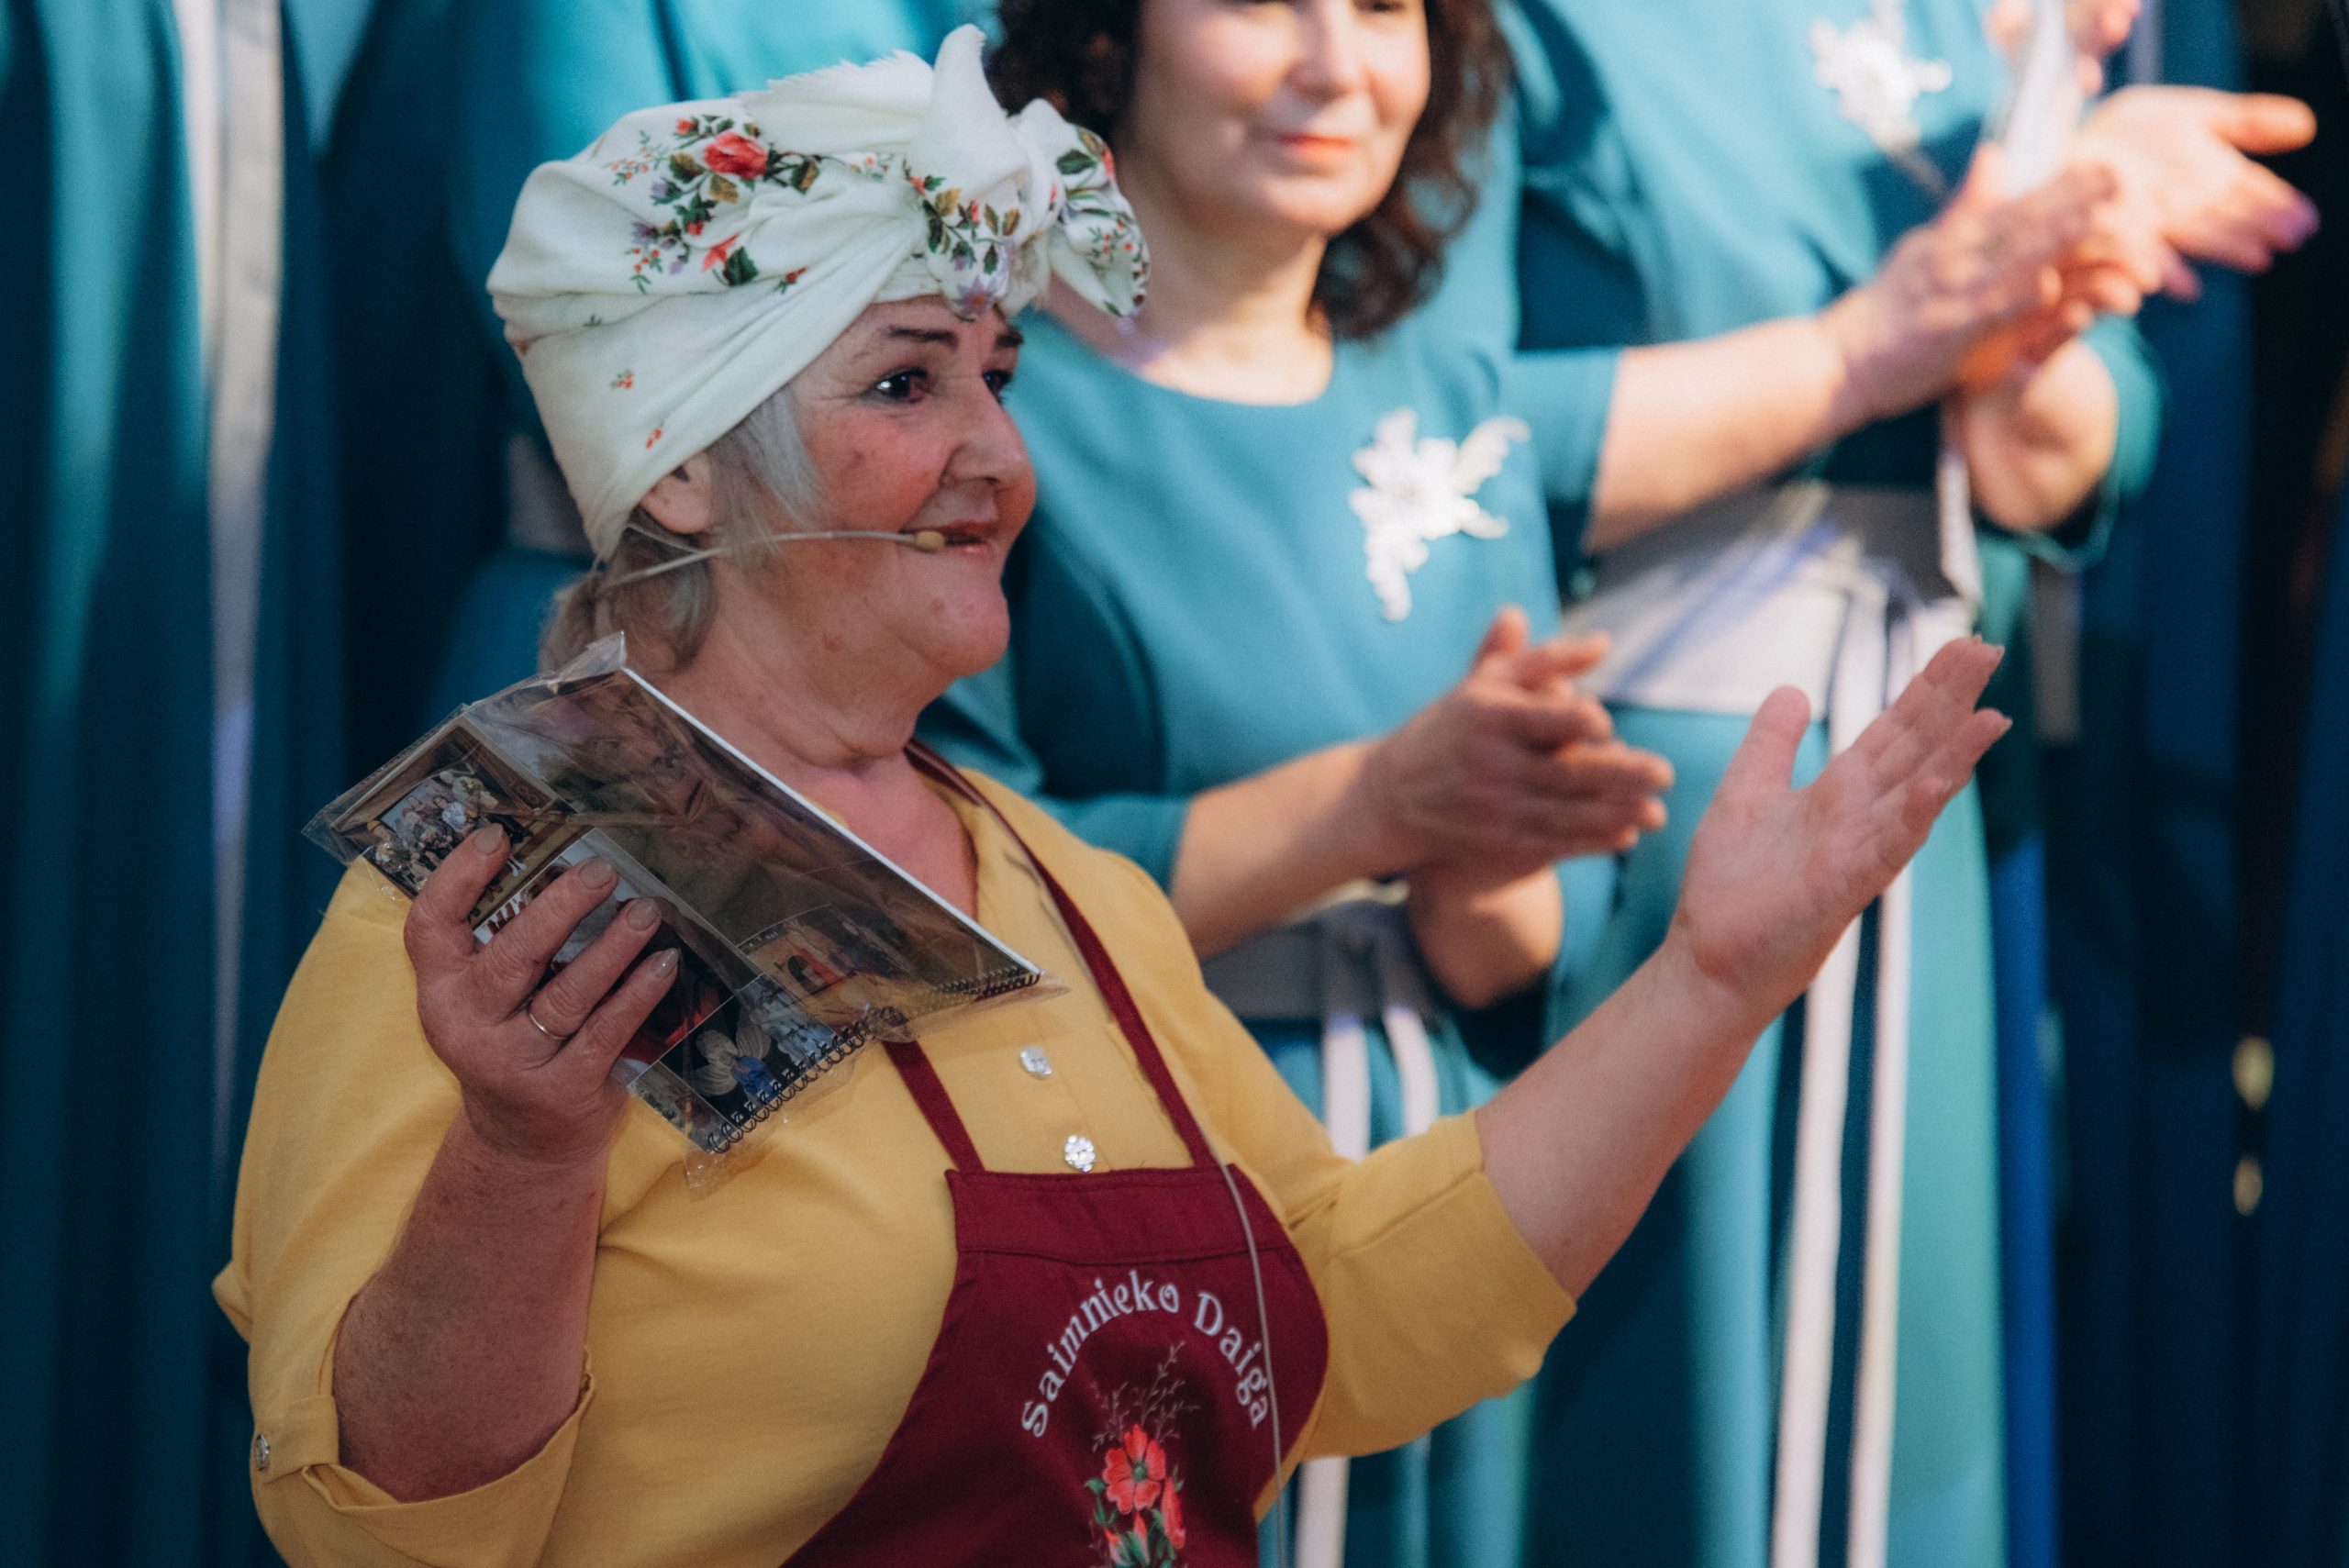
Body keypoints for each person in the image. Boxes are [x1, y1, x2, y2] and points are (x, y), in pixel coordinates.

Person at [217, 30, 2012, 1568]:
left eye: (998, 381)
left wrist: (1714, 979)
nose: (999, 458)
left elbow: (1354, 1309)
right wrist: (521, 1158)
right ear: (681, 469)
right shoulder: (506, 896)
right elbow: (376, 1522)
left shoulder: (1070, 890)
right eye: (905, 383)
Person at [922, 3, 2167, 1562]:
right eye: (1259, 5)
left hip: (1434, 1193)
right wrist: (1374, 810)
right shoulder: (1000, 413)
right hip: (1144, 1177)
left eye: (1384, 12)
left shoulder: (1451, 411)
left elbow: (1520, 950)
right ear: (1112, 40)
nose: (1333, 63)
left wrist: (1491, 854)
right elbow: (945, 886)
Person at [1475, 4, 2317, 1568]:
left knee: (1896, 1405)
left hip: (1908, 809)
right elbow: (1433, 427)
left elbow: (2078, 449)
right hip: (1640, 809)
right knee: (1646, 1407)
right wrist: (1874, 344)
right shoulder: (1519, 33)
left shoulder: (1937, 24)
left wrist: (2023, 338)